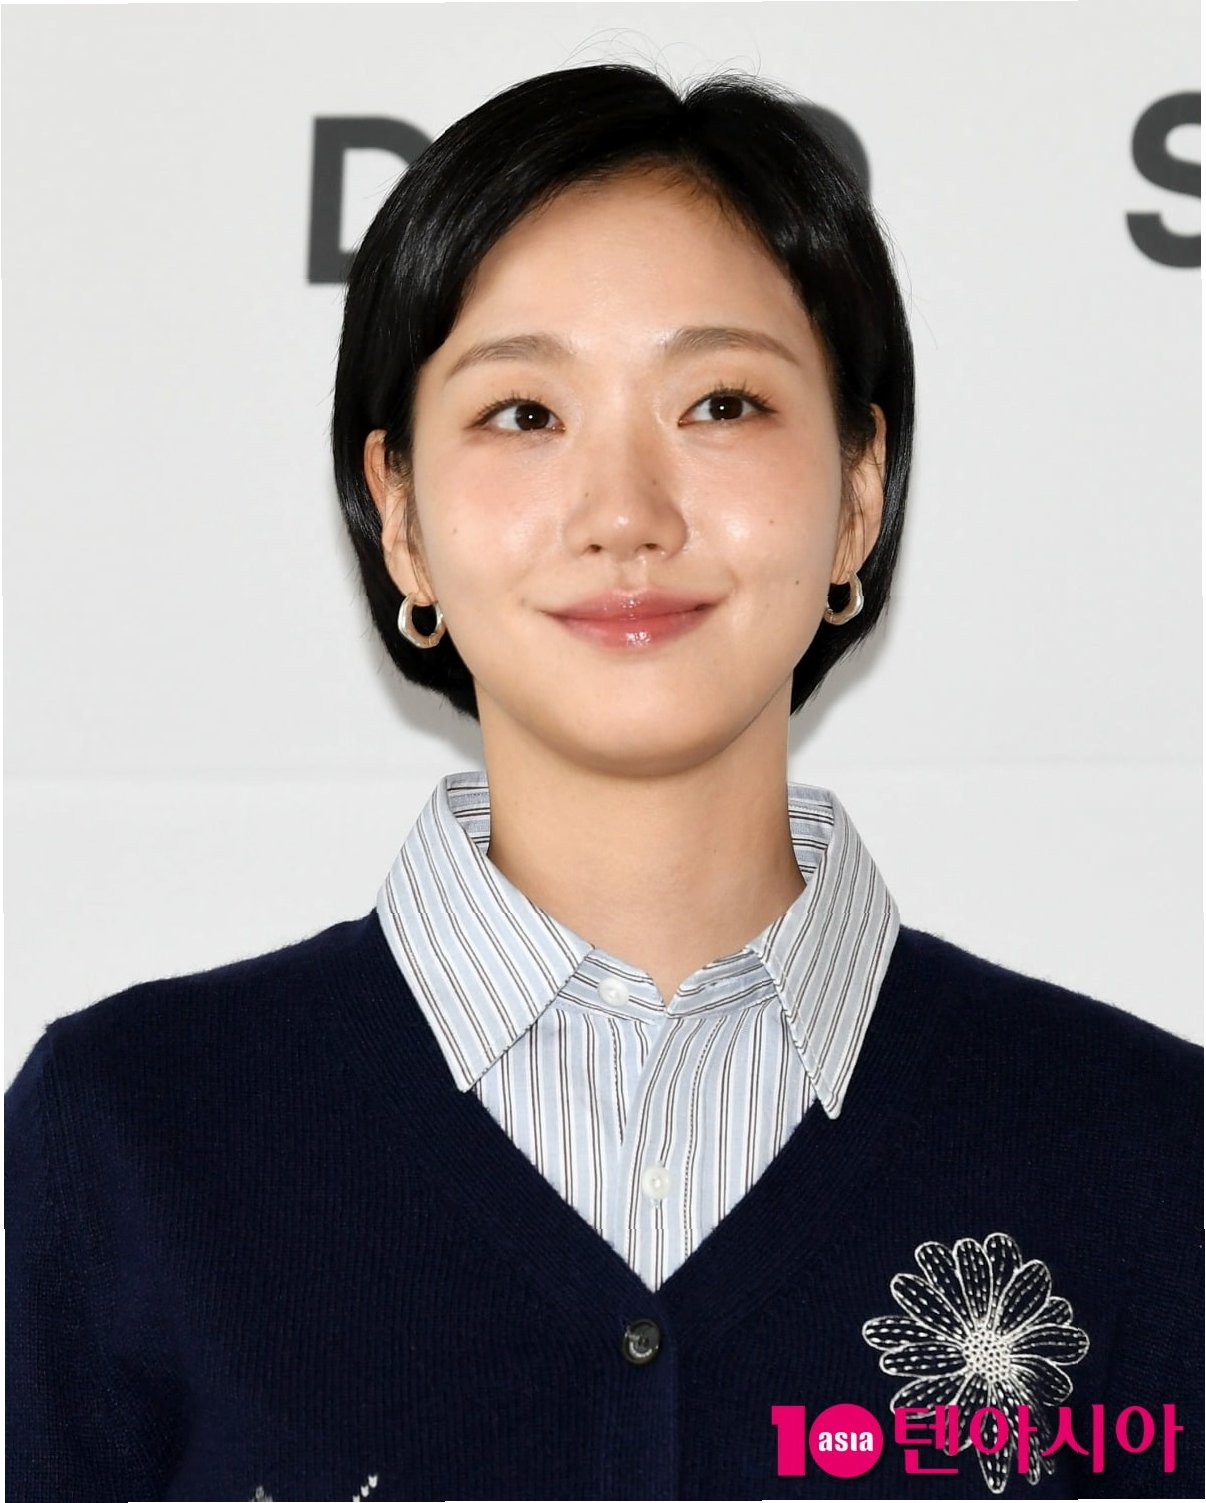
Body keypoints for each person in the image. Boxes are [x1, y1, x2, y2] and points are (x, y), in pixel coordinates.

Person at [6, 61, 1201, 1503]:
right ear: (398, 517)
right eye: (523, 414)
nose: (625, 514)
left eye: (720, 403)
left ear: (858, 492)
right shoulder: (126, 1138)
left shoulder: (1150, 1152)